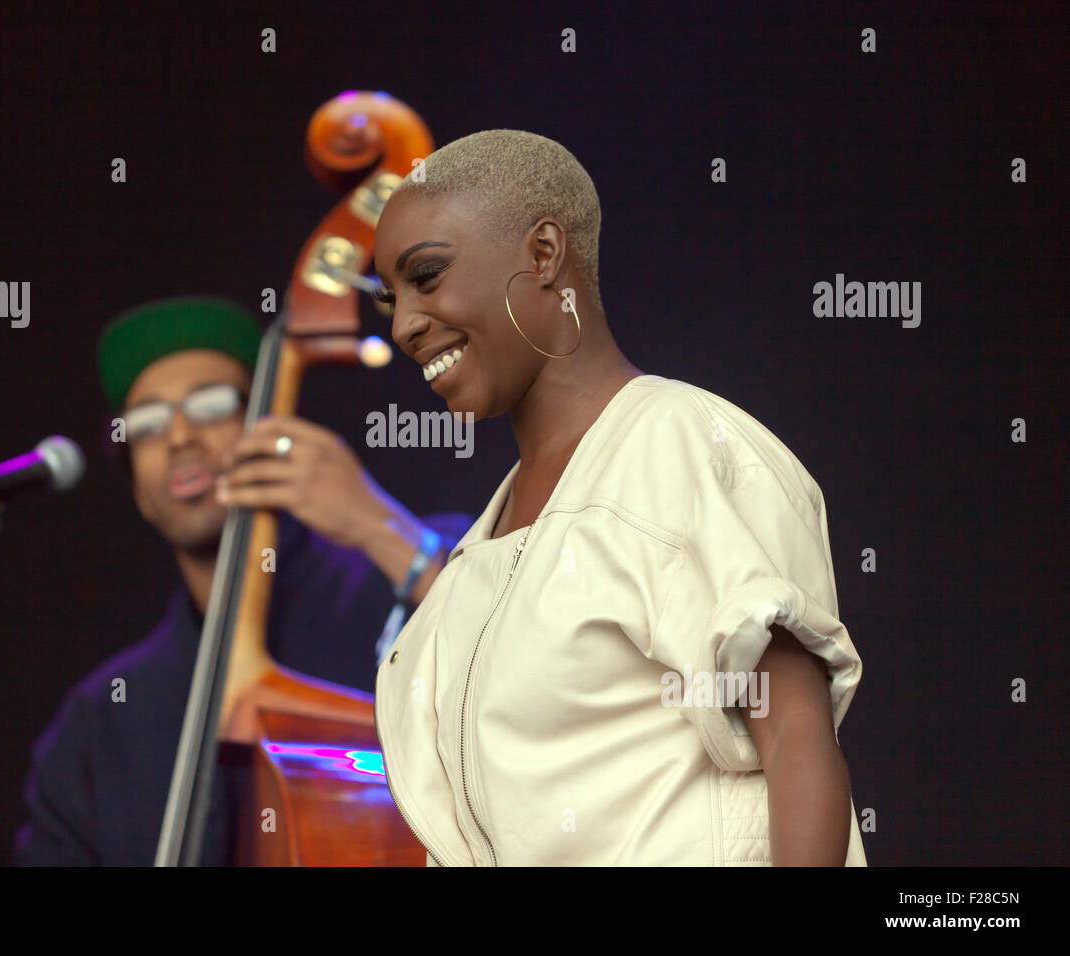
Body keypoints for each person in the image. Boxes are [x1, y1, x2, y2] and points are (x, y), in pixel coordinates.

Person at [371, 130, 868, 866]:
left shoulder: (679, 445)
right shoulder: (481, 550)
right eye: (391, 296)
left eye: (428, 276)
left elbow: (797, 736)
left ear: (543, 255)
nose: (403, 324)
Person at [14, 297, 469, 865]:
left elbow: (538, 672)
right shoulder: (99, 724)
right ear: (136, 485)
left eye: (208, 407)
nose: (179, 436)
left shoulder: (421, 565)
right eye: (147, 425)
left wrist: (379, 526)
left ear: (269, 424)